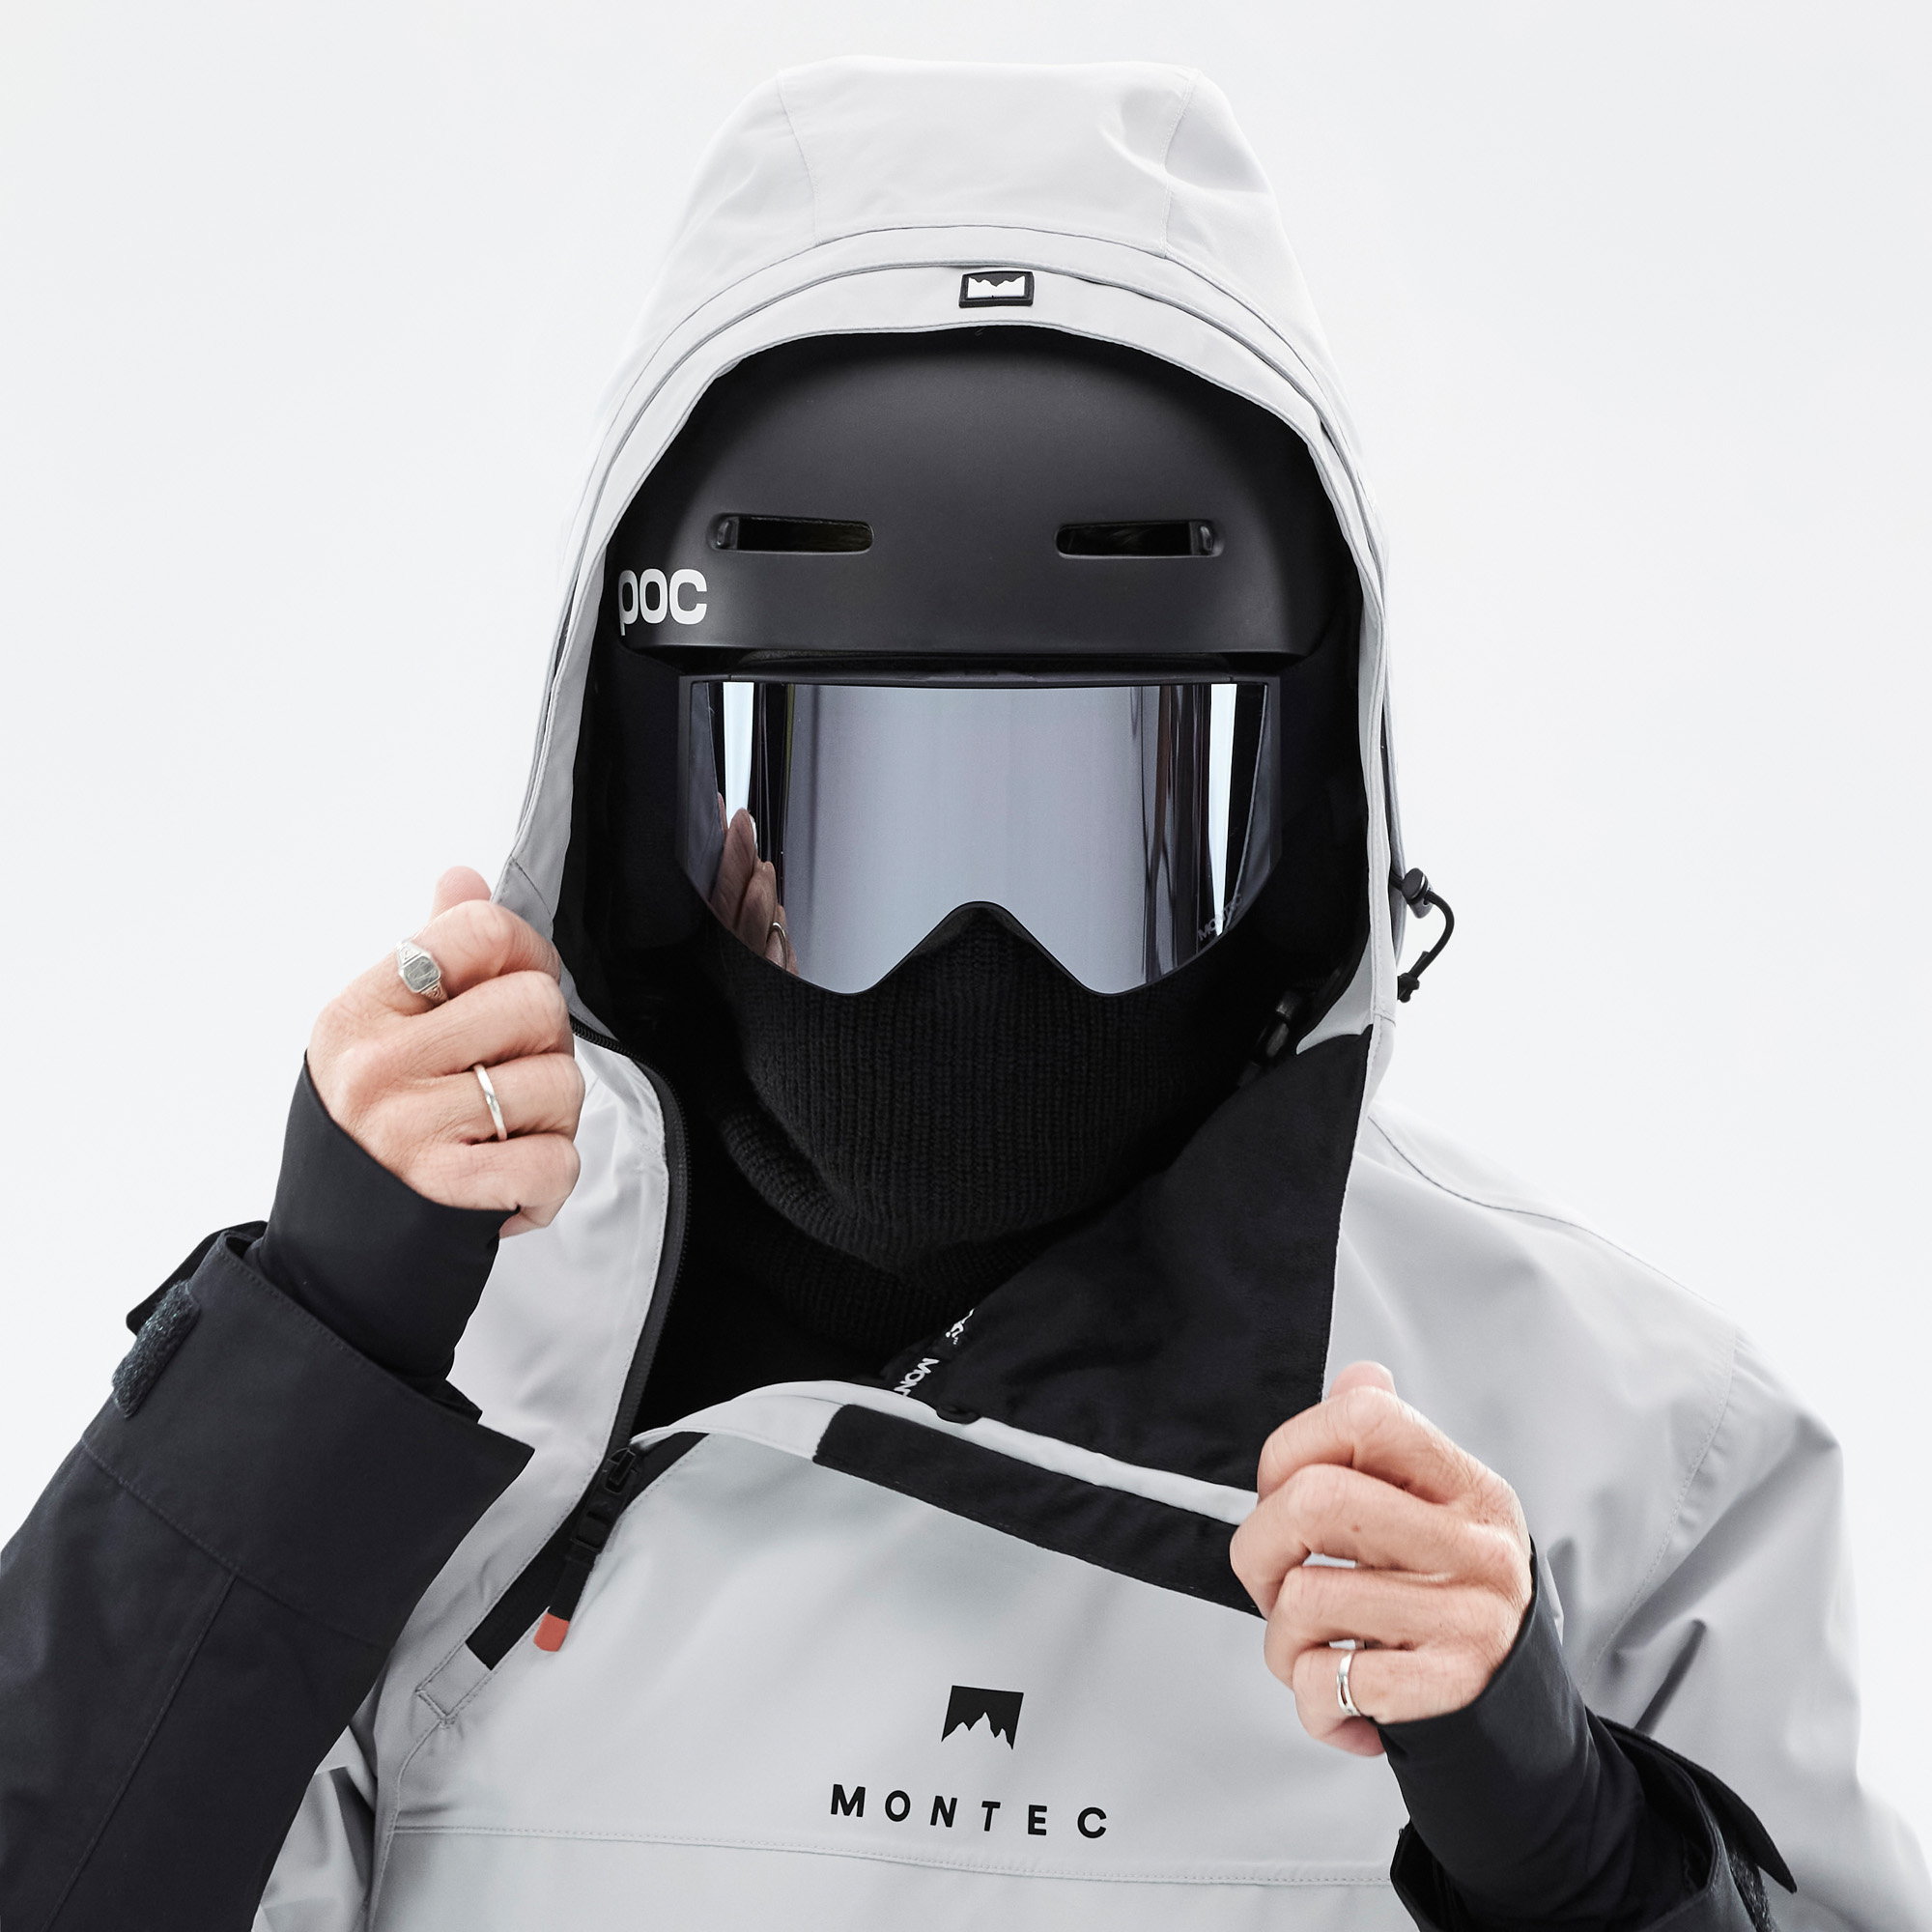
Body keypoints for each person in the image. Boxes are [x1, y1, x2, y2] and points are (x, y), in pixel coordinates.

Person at [1, 58, 1925, 1932]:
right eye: (849, 818)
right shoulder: (444, 1402)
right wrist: (304, 1360)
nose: (970, 960)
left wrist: (1589, 1860)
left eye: (1106, 833)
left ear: (1296, 832)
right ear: (651, 809)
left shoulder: (1601, 1444)